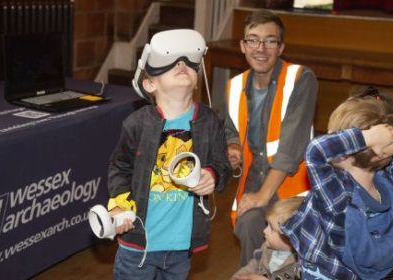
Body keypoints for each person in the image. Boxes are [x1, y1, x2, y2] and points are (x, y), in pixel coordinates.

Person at [106, 29, 232, 279]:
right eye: (171, 62)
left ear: (197, 77)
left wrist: (214, 175)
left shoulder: (210, 121)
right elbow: (120, 167)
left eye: (188, 62)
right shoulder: (136, 123)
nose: (182, 64)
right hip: (138, 243)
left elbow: (224, 165)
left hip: (181, 245)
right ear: (150, 83)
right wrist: (119, 206)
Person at [281, 87, 393, 279]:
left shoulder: (338, 195)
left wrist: (367, 138)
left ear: (344, 150)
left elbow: (316, 150)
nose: (329, 136)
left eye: (334, 135)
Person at [224, 10, 318, 265]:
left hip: (292, 186)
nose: (261, 48)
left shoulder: (301, 78)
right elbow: (231, 129)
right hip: (256, 179)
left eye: (270, 41)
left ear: (281, 47)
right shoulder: (234, 86)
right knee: (248, 225)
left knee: (283, 238)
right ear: (243, 46)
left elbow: (290, 147)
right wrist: (232, 147)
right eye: (253, 40)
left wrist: (263, 196)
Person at [232, 196, 304, 280]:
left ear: (291, 239)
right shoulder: (267, 247)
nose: (264, 231)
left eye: (272, 228)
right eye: (267, 225)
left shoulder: (301, 268)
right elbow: (254, 263)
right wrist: (238, 276)